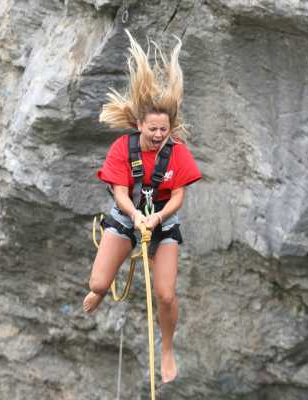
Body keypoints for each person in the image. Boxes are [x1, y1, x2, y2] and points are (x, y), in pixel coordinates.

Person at [82, 30, 201, 384]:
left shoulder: (176, 152)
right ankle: (100, 290)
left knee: (165, 294)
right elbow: (120, 192)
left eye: (164, 129)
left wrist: (158, 218)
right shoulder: (124, 148)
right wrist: (136, 216)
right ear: (139, 126)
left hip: (162, 222)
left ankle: (166, 348)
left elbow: (178, 195)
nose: (159, 134)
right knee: (98, 284)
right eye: (153, 129)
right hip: (127, 216)